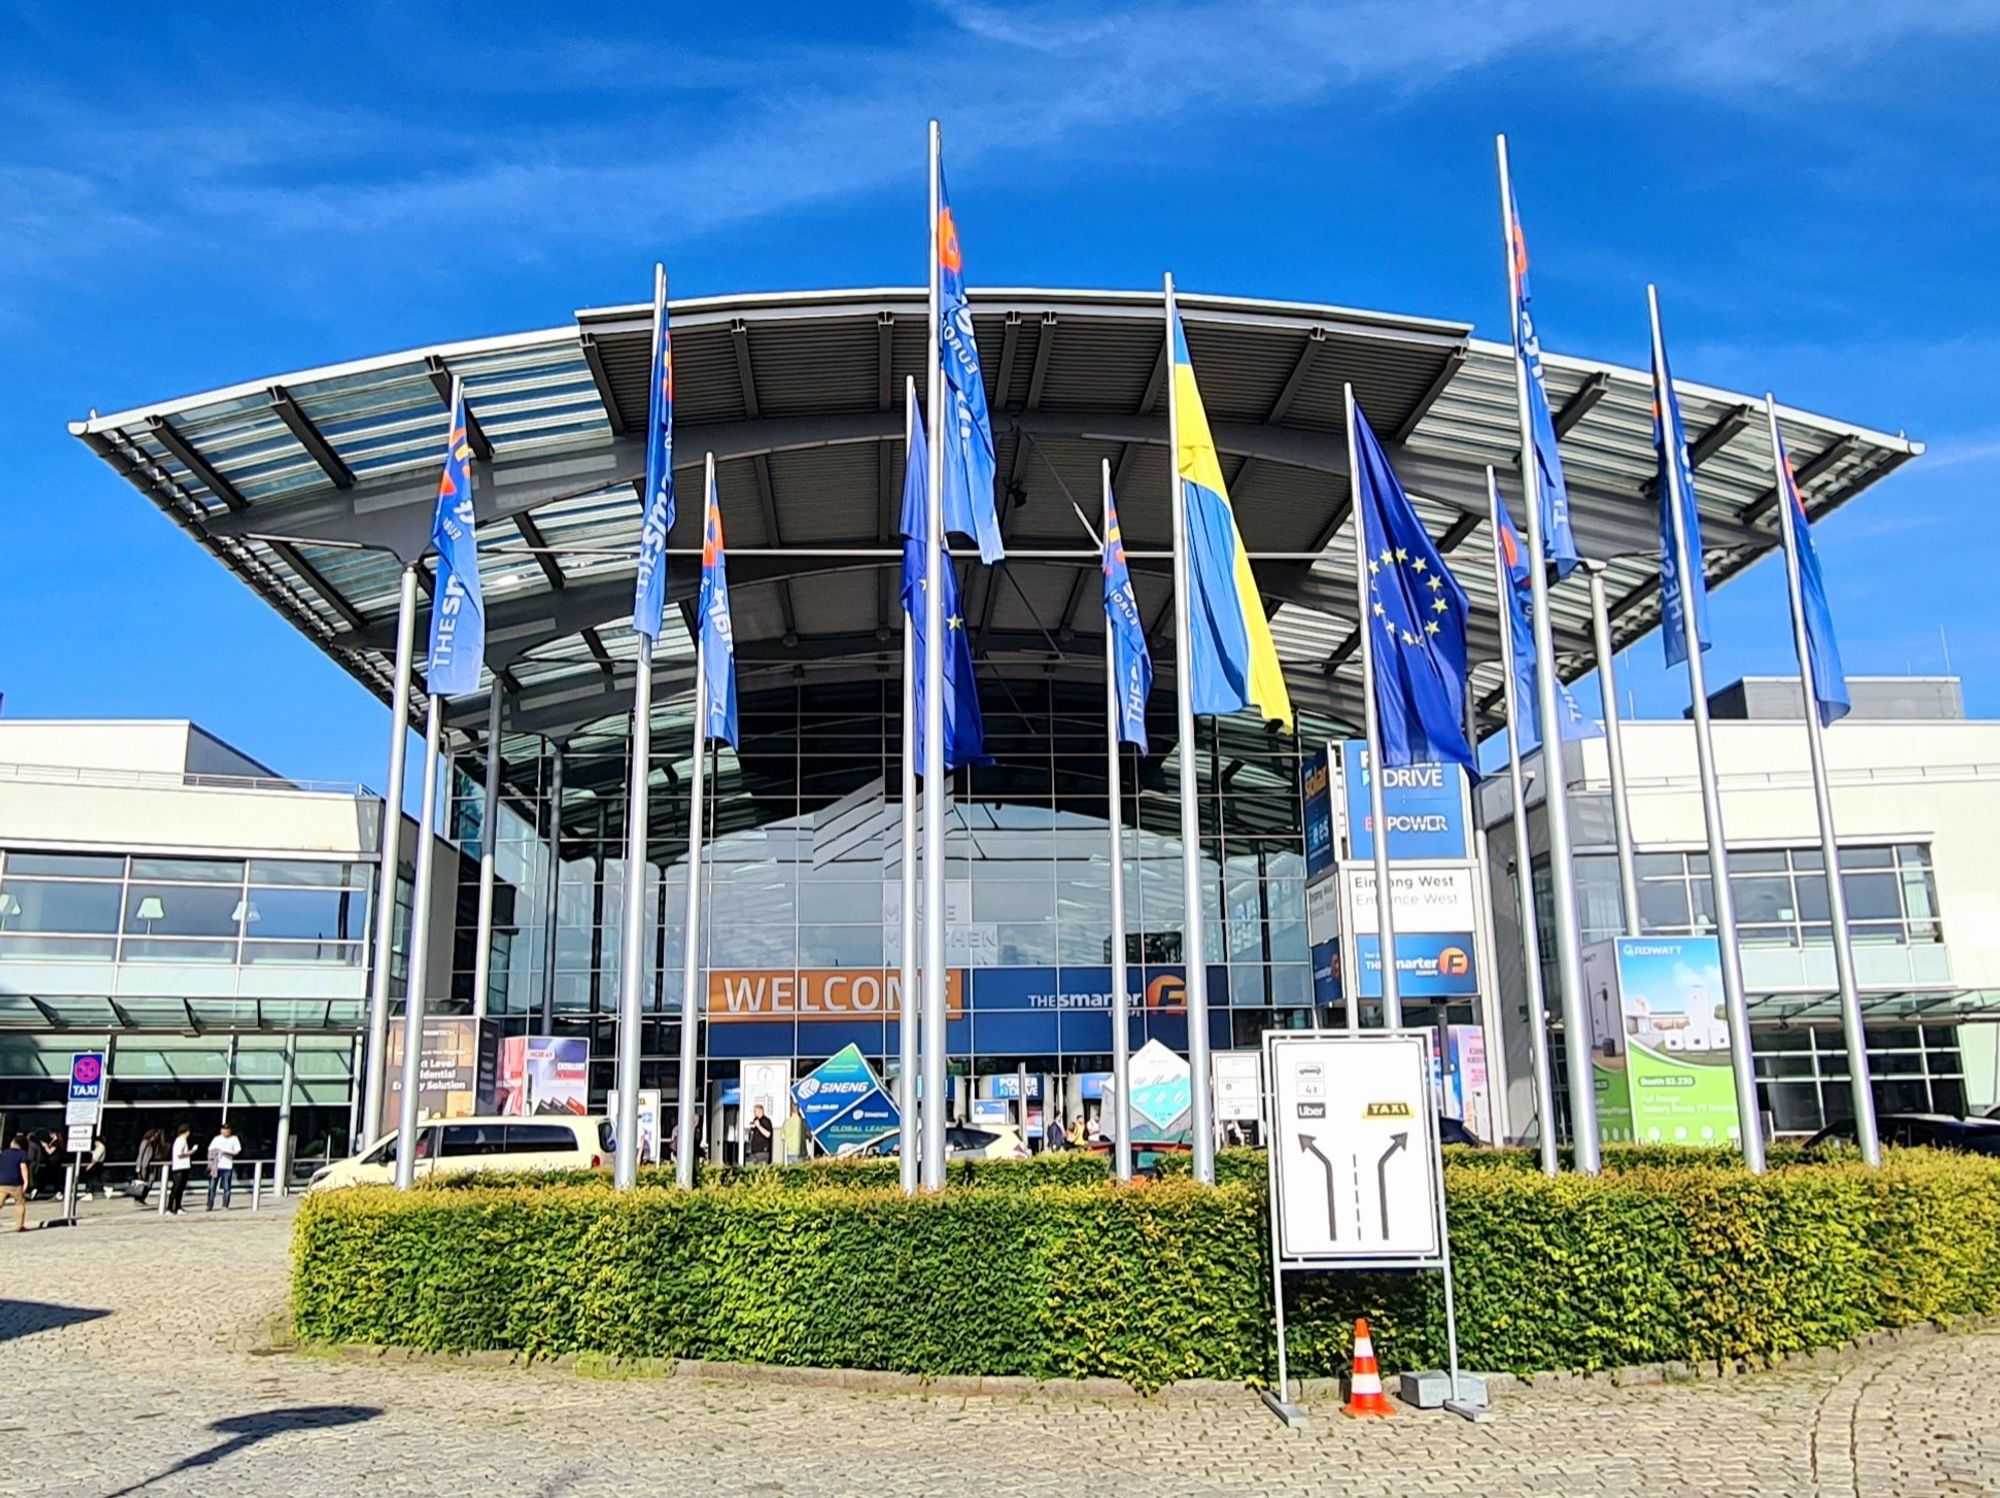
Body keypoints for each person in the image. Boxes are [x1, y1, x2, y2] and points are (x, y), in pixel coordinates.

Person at [205, 1124, 242, 1211]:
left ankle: (225, 1205)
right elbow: (210, 1150)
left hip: (227, 1166)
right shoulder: (217, 1139)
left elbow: (237, 1151)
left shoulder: (234, 1139)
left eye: (227, 1130)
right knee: (212, 1187)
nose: (226, 1131)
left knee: (227, 1187)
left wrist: (226, 1152)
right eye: (224, 1130)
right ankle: (209, 1205)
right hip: (216, 1166)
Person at [0, 1134, 29, 1232]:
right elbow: (23, 1168)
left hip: (2, 1182)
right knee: (19, 1204)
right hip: (15, 1183)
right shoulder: (22, 1154)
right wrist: (26, 1181)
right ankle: (19, 1225)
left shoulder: (4, 1153)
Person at [132, 1128, 167, 1206]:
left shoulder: (154, 1144)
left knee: (150, 1181)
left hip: (150, 1166)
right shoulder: (145, 1142)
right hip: (144, 1165)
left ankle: (142, 1197)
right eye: (155, 1135)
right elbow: (140, 1155)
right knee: (141, 1182)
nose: (156, 1137)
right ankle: (138, 1199)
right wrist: (138, 1166)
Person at [167, 1125, 194, 1215]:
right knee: (176, 1188)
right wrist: (190, 1152)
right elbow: (179, 1154)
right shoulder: (180, 1140)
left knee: (180, 1188)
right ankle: (170, 1208)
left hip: (184, 1166)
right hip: (179, 1167)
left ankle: (178, 1207)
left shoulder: (183, 1141)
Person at [79, 1136, 107, 1200]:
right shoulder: (100, 1148)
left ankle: (89, 1193)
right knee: (96, 1179)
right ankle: (104, 1188)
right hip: (97, 1164)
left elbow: (95, 1159)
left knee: (91, 1178)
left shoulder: (100, 1147)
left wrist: (90, 1166)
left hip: (96, 1165)